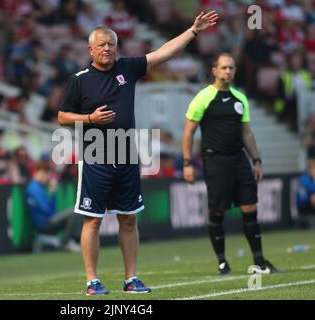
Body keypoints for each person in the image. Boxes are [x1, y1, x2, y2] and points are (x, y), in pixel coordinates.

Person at [58, 11, 218, 295]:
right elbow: (62, 117)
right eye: (102, 44)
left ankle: (131, 279)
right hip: (95, 156)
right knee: (92, 219)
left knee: (129, 218)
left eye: (111, 43)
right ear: (90, 49)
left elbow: (162, 54)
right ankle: (92, 281)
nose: (107, 48)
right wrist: (91, 119)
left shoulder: (127, 68)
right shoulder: (80, 80)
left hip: (126, 155)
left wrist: (193, 31)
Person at [182, 52, 279, 275]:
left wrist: (256, 159)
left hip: (239, 159)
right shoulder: (203, 97)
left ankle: (259, 262)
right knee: (217, 212)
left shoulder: (240, 98)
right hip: (215, 160)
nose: (228, 71)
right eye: (224, 67)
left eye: (231, 68)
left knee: (250, 207)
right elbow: (188, 132)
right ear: (214, 70)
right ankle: (222, 262)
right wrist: (188, 162)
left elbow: (246, 133)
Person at [25, 160, 82, 252]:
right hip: (44, 224)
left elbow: (49, 208)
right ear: (41, 172)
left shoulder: (37, 187)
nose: (48, 178)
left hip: (47, 221)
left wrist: (53, 193)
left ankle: (69, 241)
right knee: (75, 211)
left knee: (76, 211)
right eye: (47, 174)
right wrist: (53, 193)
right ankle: (66, 242)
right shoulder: (34, 188)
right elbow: (47, 210)